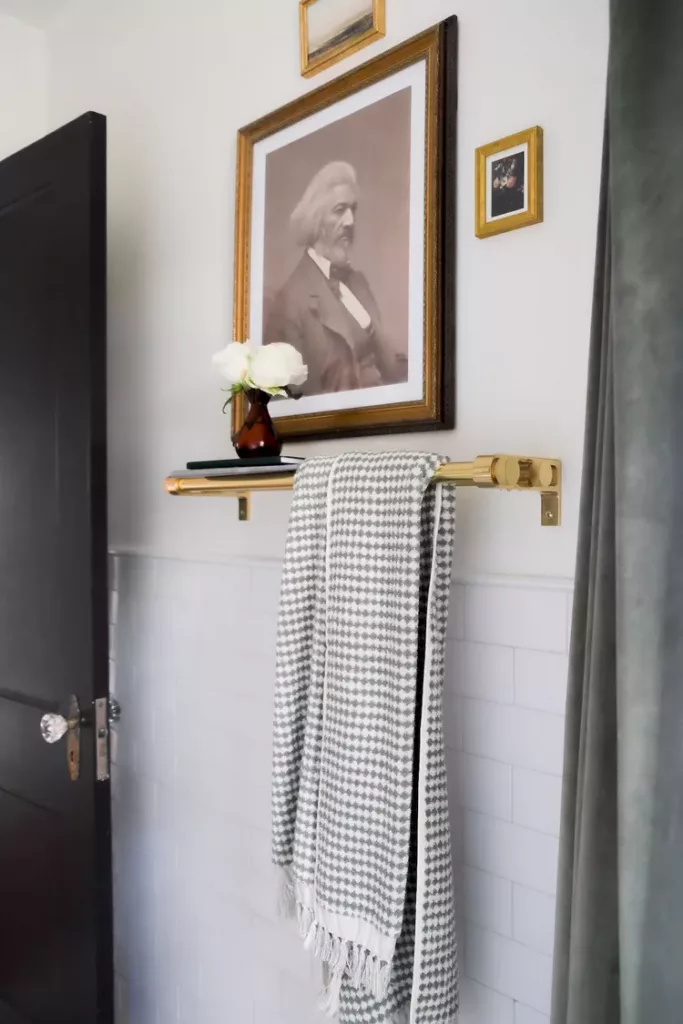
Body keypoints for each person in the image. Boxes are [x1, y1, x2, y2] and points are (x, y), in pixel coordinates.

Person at [263, 161, 400, 396]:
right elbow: (281, 400)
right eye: (339, 210)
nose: (350, 221)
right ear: (316, 220)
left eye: (353, 210)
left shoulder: (359, 284)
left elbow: (392, 367)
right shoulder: (289, 302)